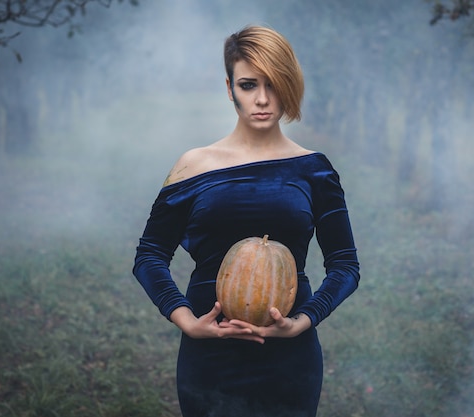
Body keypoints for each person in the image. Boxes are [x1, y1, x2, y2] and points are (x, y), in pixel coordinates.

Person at [133, 24, 360, 417]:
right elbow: (150, 255)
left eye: (273, 84)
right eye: (249, 85)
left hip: (290, 359)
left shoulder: (315, 171)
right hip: (209, 355)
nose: (262, 99)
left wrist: (303, 322)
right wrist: (187, 321)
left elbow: (345, 266)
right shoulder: (193, 165)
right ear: (229, 88)